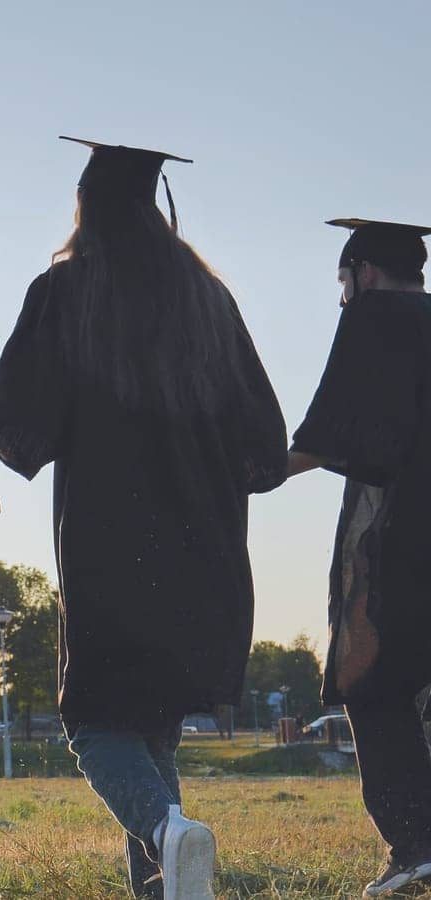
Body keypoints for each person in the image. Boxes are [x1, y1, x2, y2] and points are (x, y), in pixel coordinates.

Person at [0, 138, 287, 900]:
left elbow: (26, 425)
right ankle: (162, 887)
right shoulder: (208, 301)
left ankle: (168, 833)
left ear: (86, 206)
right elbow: (264, 447)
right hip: (206, 553)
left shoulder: (67, 292)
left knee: (94, 725)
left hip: (112, 551)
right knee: (151, 729)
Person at [287, 217, 431, 897]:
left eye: (343, 284)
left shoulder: (375, 316)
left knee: (370, 681)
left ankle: (416, 841)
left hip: (405, 535)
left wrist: (254, 472)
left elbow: (333, 429)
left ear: (363, 273)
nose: (343, 297)